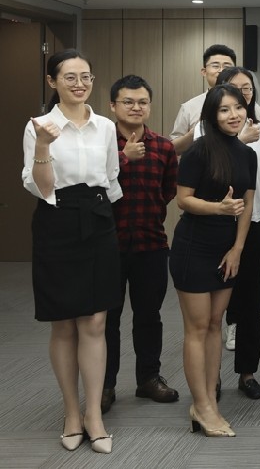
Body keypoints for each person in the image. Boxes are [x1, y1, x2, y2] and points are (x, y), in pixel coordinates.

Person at [22, 49, 121, 454]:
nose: (79, 84)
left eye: (86, 77)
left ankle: (94, 413)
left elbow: (111, 178)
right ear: (52, 81)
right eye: (69, 77)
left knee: (95, 321)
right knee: (63, 323)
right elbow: (42, 186)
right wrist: (44, 145)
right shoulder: (38, 126)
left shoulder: (106, 126)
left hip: (98, 219)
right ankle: (71, 413)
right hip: (57, 220)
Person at [170, 84, 257, 437]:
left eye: (238, 107)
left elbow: (247, 205)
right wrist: (218, 208)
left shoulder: (247, 154)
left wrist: (238, 248)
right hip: (193, 247)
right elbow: (183, 200)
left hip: (227, 249)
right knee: (197, 327)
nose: (233, 115)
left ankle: (207, 402)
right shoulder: (199, 150)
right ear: (212, 115)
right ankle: (202, 404)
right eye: (224, 109)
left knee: (215, 324)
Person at [102, 75, 179, 416]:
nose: (136, 107)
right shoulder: (101, 145)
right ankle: (105, 384)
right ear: (113, 106)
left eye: (142, 102)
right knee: (107, 319)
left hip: (151, 243)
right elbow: (93, 184)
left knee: (149, 316)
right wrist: (123, 157)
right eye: (128, 102)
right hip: (108, 246)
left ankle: (148, 378)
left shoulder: (164, 147)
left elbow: (168, 190)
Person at [214, 67, 260, 401]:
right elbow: (211, 171)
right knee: (212, 305)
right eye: (234, 88)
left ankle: (247, 373)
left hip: (250, 222)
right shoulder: (205, 129)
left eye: (247, 89)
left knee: (250, 302)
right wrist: (239, 142)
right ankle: (211, 376)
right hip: (214, 223)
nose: (242, 94)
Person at [170, 44, 260, 155]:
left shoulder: (255, 108)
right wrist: (194, 133)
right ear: (204, 71)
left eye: (227, 66)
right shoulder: (190, 107)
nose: (221, 70)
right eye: (215, 66)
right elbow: (172, 149)